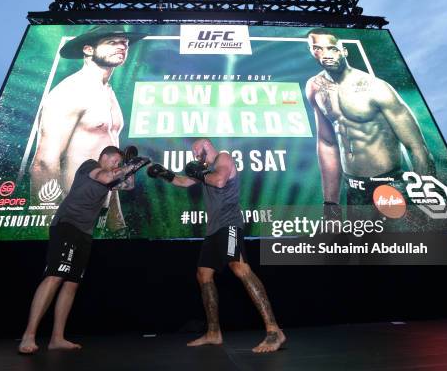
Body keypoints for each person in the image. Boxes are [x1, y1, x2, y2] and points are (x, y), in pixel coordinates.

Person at [147, 139, 286, 353]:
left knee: (239, 267)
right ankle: (213, 332)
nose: (195, 156)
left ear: (206, 146)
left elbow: (220, 181)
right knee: (203, 274)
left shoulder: (223, 158)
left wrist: (200, 173)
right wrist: (163, 174)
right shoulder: (206, 170)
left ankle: (274, 330)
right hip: (213, 231)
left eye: (196, 150)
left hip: (229, 225)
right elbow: (184, 182)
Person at [18, 146, 149, 354]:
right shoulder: (91, 166)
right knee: (54, 276)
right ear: (104, 157)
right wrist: (129, 166)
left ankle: (57, 338)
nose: (117, 165)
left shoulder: (111, 175)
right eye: (115, 161)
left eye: (119, 163)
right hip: (67, 225)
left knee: (72, 284)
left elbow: (128, 186)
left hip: (85, 232)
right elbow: (106, 177)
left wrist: (131, 168)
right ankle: (29, 335)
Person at [304, 28, 435, 216]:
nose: (325, 55)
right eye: (317, 49)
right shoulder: (314, 87)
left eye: (331, 48)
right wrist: (330, 204)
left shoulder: (376, 87)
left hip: (392, 184)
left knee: (405, 244)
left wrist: (425, 199)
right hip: (354, 189)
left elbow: (416, 147)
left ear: (344, 50)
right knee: (361, 246)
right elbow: (327, 142)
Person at [29, 26, 145, 234]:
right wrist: (49, 226)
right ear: (88, 50)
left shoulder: (107, 92)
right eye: (112, 42)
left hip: (97, 211)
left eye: (124, 43)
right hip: (73, 212)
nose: (121, 46)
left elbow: (110, 166)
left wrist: (116, 223)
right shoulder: (71, 91)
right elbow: (44, 163)